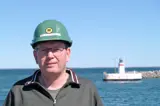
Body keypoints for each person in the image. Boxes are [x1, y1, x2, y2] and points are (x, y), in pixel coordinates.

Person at [3, 20, 104, 106]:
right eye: (43, 49)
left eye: (56, 49)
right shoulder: (19, 91)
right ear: (35, 56)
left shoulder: (87, 89)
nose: (50, 55)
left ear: (68, 53)